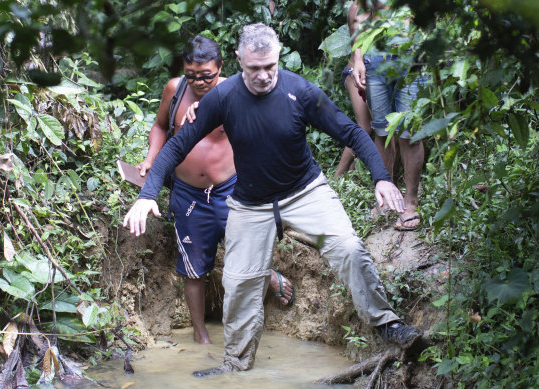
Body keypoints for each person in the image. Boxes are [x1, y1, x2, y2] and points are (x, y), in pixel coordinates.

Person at [124, 23, 421, 376]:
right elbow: (176, 144)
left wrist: (382, 178)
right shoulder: (222, 97)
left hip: (305, 193)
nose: (264, 76)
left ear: (277, 59)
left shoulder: (300, 91)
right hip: (250, 205)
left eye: (270, 67)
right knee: (238, 285)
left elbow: (351, 131)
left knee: (348, 248)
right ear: (238, 60)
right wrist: (146, 195)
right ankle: (234, 366)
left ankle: (387, 324)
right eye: (254, 69)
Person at [135, 35, 294, 345]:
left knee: (247, 251)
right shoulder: (175, 89)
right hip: (188, 193)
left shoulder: (236, 90)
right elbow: (159, 125)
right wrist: (150, 157)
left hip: (231, 188)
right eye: (192, 75)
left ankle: (268, 275)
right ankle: (200, 335)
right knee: (193, 269)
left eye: (206, 75)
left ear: (221, 68)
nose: (198, 82)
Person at [345, 1, 425, 230]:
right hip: (374, 59)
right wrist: (358, 60)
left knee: (409, 132)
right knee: (381, 131)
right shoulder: (359, 7)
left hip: (410, 58)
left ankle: (411, 202)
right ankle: (387, 193)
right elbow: (357, 27)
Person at [334, 2, 373, 178]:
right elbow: (359, 45)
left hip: (372, 73)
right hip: (355, 72)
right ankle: (338, 175)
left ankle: (352, 171)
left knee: (378, 127)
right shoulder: (358, 7)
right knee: (365, 127)